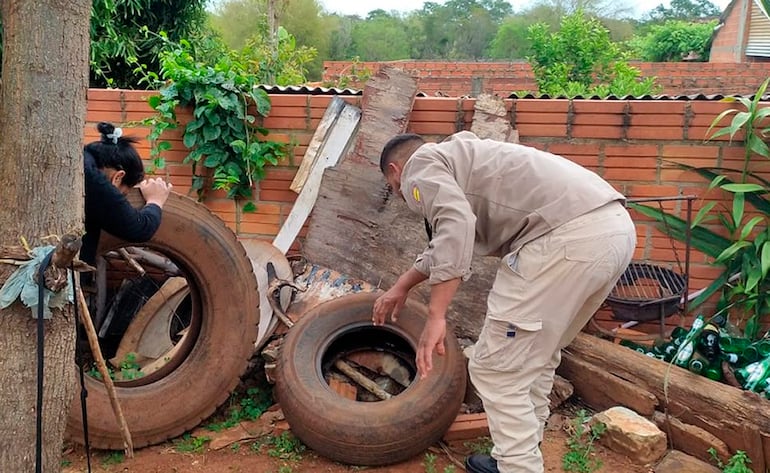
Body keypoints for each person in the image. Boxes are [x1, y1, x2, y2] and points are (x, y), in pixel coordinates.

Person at [372, 131, 636, 473]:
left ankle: (519, 466)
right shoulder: (463, 156)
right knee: (538, 356)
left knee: (494, 369)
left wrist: (436, 316)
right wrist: (402, 286)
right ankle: (520, 452)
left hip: (562, 240)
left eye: (396, 189)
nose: (403, 195)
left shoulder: (419, 167)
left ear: (396, 171)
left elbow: (456, 227)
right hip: (612, 230)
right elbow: (443, 242)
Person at [81, 122, 172, 266]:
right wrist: (155, 201)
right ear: (118, 177)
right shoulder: (94, 180)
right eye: (123, 195)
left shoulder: (85, 160)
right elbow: (139, 229)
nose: (119, 199)